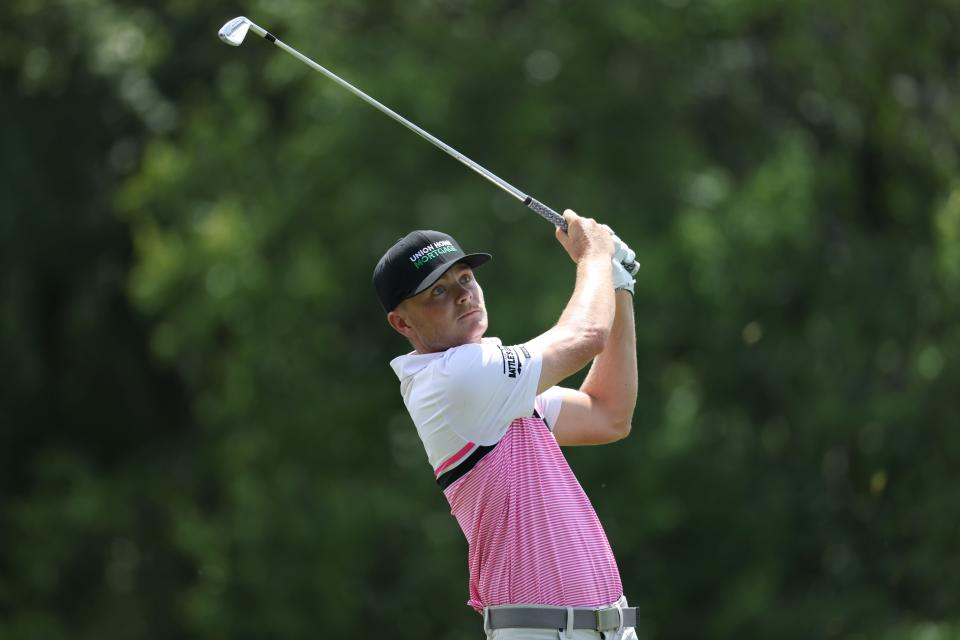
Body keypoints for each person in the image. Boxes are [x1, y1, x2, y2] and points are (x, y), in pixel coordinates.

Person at [373, 210, 640, 639]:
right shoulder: (453, 378)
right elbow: (587, 335)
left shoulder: (494, 391)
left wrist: (618, 283)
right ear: (402, 322)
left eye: (464, 279)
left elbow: (608, 414)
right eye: (436, 291)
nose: (462, 295)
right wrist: (594, 256)